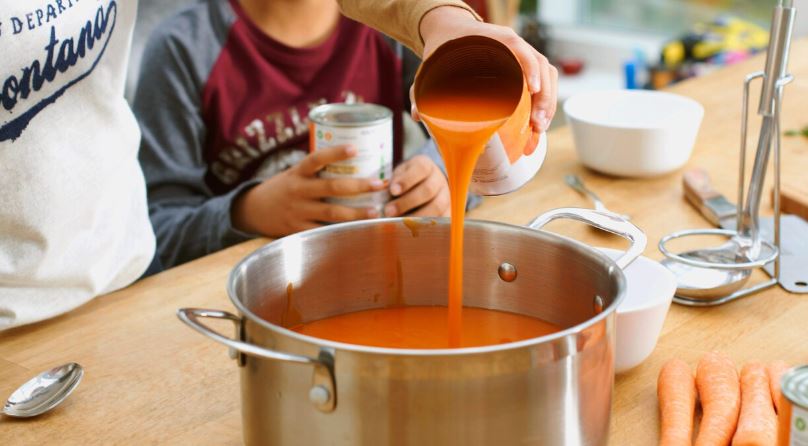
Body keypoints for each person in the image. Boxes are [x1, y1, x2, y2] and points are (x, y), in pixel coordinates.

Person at [0, 0, 557, 331]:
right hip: (202, 297)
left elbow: (465, 148)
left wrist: (439, 168)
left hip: (364, 286)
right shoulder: (186, 48)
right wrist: (248, 209)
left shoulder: (377, 36)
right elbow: (159, 222)